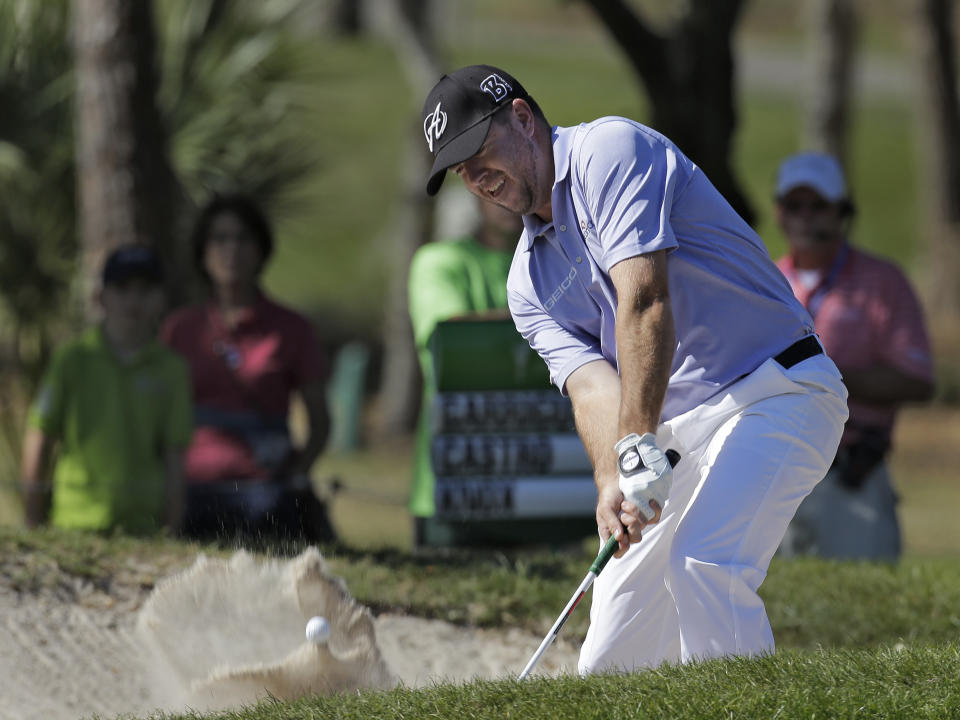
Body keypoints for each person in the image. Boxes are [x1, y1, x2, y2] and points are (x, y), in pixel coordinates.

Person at [420, 65, 848, 673]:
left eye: (478, 152)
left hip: (778, 388)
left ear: (520, 117)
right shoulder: (526, 284)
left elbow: (644, 302)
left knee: (704, 562)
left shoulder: (608, 151)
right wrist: (611, 480)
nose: (477, 178)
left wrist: (637, 442)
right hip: (678, 433)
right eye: (461, 172)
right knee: (609, 653)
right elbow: (593, 385)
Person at [772, 152, 935, 561]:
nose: (807, 218)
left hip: (852, 474)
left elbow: (917, 379)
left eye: (819, 206)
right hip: (773, 469)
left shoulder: (883, 282)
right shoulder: (766, 281)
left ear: (843, 212)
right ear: (779, 214)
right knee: (775, 612)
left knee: (861, 607)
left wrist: (823, 375)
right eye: (795, 206)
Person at [162, 194, 334, 544]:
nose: (231, 250)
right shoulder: (179, 329)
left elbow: (320, 421)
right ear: (202, 251)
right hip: (191, 496)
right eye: (220, 239)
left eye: (242, 238)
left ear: (260, 249)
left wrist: (295, 476)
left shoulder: (291, 329)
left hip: (266, 498)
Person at [21, 245, 192, 535]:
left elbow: (174, 456)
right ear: (100, 297)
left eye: (145, 289)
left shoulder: (173, 368)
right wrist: (32, 521)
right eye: (122, 287)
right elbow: (40, 437)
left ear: (161, 299)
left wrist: (172, 528)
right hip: (73, 525)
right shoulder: (70, 359)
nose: (133, 300)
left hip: (144, 530)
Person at [407, 194, 521, 547]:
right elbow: (455, 341)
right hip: (455, 484)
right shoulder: (439, 261)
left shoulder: (562, 263)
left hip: (551, 485)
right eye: (493, 186)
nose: (509, 198)